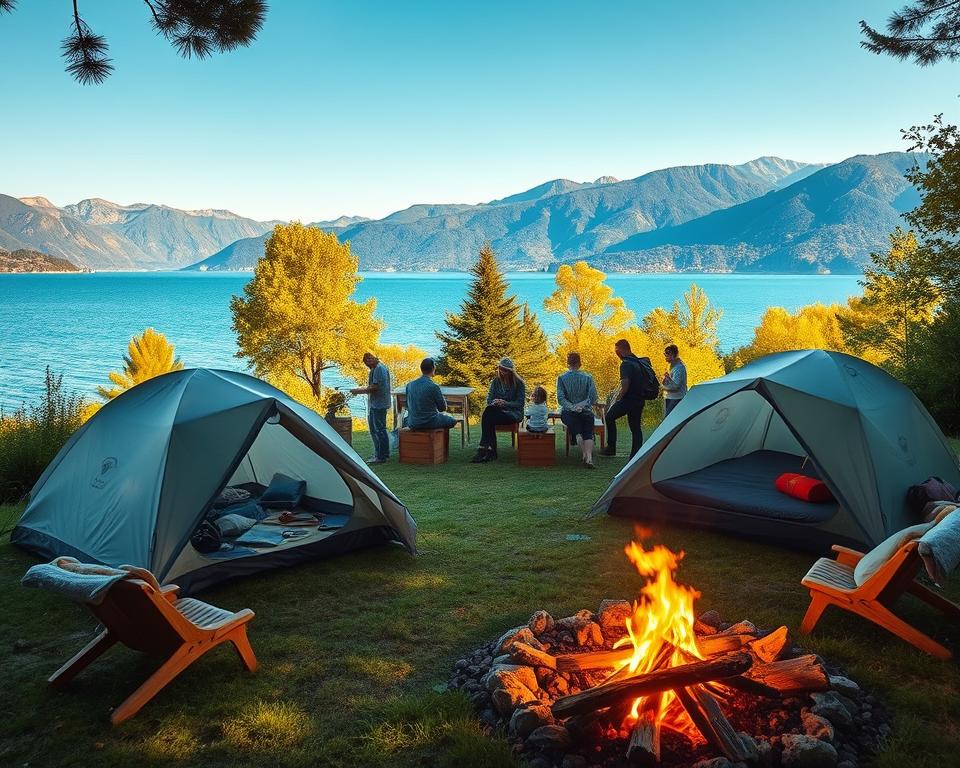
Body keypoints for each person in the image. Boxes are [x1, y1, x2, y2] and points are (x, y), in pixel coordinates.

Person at [601, 339, 652, 459]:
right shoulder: (638, 361)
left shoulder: (626, 364)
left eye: (617, 351)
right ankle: (635, 454)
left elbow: (625, 385)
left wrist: (618, 399)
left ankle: (611, 448)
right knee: (635, 427)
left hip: (629, 399)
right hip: (640, 399)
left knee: (609, 417)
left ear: (622, 350)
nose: (616, 354)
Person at [472, 357, 525, 463]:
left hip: (513, 413)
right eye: (501, 369)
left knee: (488, 415)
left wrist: (505, 403)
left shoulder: (519, 383)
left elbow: (520, 403)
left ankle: (485, 448)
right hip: (497, 411)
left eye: (505, 370)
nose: (503, 372)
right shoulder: (496, 381)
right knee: (489, 412)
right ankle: (490, 450)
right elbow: (489, 399)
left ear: (511, 371)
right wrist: (495, 402)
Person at [557, 352, 599, 468]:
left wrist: (572, 407)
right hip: (586, 411)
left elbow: (561, 398)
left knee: (578, 432)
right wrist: (584, 405)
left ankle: (584, 455)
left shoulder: (562, 378)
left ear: (568, 364)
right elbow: (594, 397)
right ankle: (589, 458)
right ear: (580, 364)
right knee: (588, 433)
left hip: (569, 412)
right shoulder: (588, 378)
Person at [349, 352, 392, 464]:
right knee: (376, 429)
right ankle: (381, 453)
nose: (367, 362)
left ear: (374, 358)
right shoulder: (375, 369)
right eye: (365, 361)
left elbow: (375, 387)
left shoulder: (379, 369)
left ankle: (381, 456)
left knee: (379, 430)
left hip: (379, 404)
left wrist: (358, 391)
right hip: (376, 403)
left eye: (369, 359)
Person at [404, 358, 458, 430]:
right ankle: (439, 440)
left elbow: (407, 406)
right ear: (433, 368)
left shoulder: (409, 385)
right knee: (452, 421)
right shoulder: (434, 386)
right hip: (429, 422)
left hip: (413, 423)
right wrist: (443, 399)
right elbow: (442, 408)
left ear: (421, 369)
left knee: (405, 420)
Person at [661, 344, 688, 417]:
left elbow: (676, 386)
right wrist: (665, 379)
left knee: (669, 420)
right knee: (667, 420)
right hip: (669, 397)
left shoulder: (679, 368)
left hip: (676, 398)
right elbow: (670, 382)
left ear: (672, 355)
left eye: (667, 355)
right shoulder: (672, 366)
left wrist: (662, 388)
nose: (665, 358)